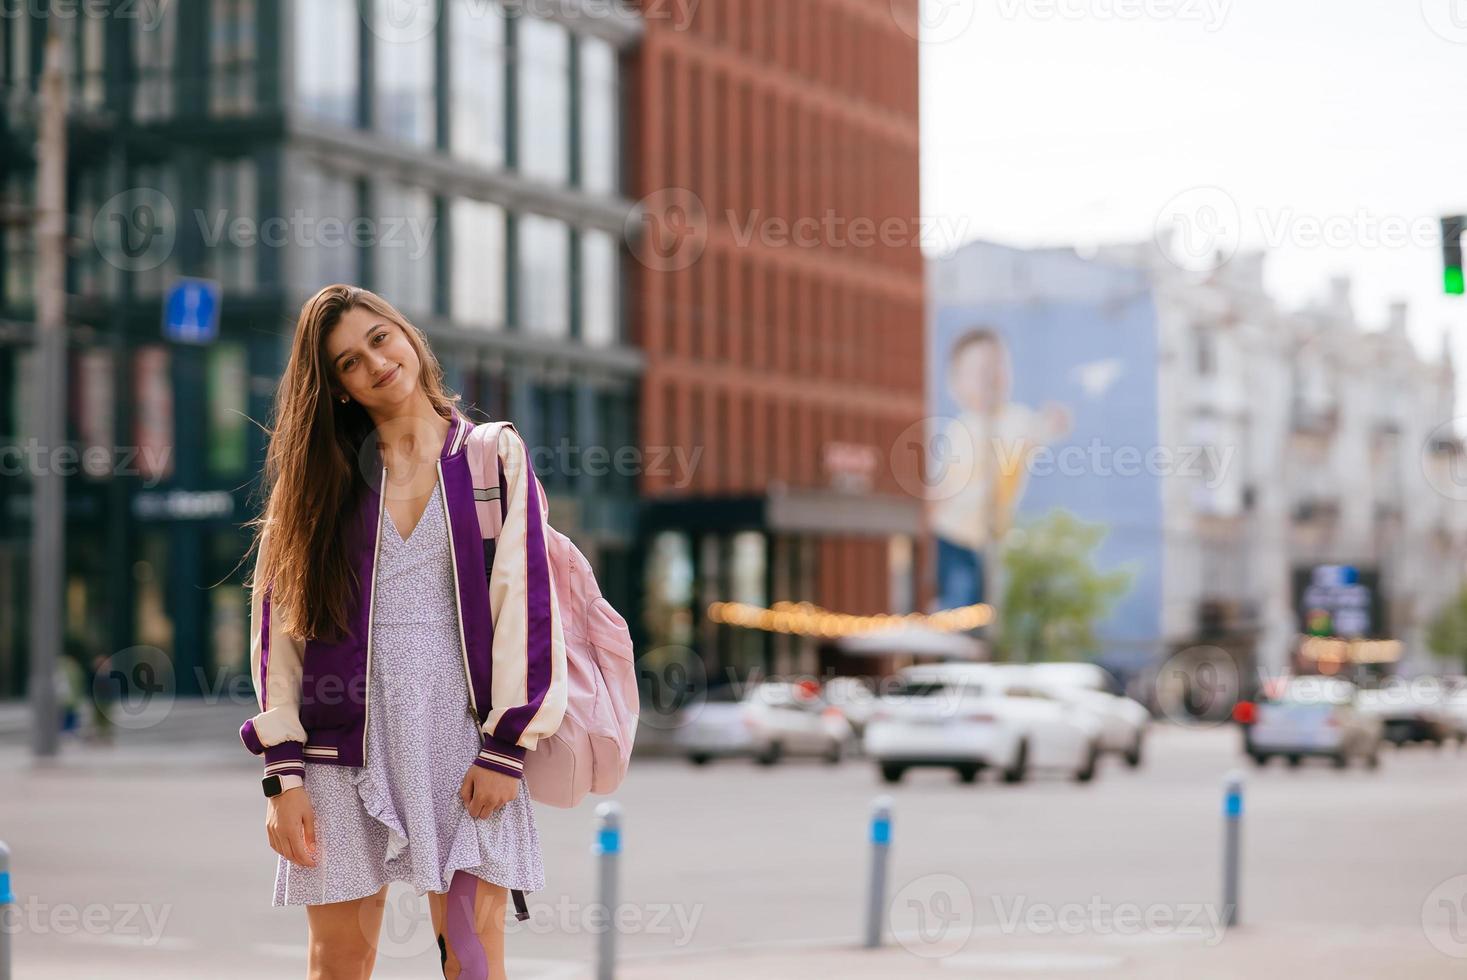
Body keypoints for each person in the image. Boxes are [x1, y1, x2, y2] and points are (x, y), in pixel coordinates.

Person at [238, 284, 567, 980]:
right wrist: (282, 773)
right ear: (340, 390)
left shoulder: (488, 458)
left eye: (379, 338)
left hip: (464, 746)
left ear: (406, 334)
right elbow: (279, 635)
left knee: (470, 960)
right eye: (349, 363)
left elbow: (528, 607)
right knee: (338, 964)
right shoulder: (317, 484)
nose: (376, 363)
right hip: (336, 752)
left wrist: (507, 747)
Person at [929, 327, 1071, 609]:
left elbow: (1040, 431)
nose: (992, 378)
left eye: (999, 366)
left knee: (986, 601)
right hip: (953, 533)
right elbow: (940, 485)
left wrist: (1054, 421)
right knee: (958, 599)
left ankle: (977, 640)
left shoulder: (1015, 419)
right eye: (981, 371)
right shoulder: (960, 429)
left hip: (991, 537)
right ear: (955, 384)